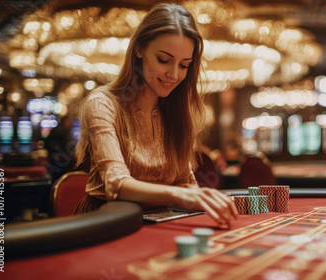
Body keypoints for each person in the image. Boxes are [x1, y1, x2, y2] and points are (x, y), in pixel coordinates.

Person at [74, 3, 238, 226]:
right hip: (105, 225)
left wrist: (203, 197)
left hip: (160, 222)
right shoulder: (104, 104)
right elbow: (116, 184)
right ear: (139, 49)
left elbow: (184, 182)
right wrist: (180, 195)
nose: (173, 74)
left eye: (184, 65)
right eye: (164, 60)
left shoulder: (176, 112)